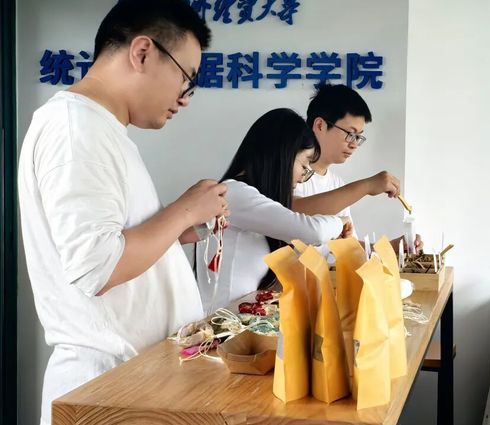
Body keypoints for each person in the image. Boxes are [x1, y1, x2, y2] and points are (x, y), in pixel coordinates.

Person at [17, 1, 226, 423]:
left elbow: (117, 242)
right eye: (185, 77)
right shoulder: (76, 128)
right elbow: (98, 266)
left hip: (129, 385)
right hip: (106, 389)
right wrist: (184, 210)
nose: (185, 98)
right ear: (143, 52)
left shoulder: (100, 128)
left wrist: (181, 228)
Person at [196, 108, 350, 313]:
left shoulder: (252, 198)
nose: (302, 177)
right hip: (220, 322)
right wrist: (340, 221)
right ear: (283, 156)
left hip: (239, 317)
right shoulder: (235, 193)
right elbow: (313, 231)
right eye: (304, 166)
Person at [292, 83, 423, 252]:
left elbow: (346, 246)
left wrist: (393, 247)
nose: (354, 144)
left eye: (358, 137)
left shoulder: (336, 184)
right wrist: (367, 186)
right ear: (320, 126)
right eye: (350, 134)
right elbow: (292, 216)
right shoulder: (290, 171)